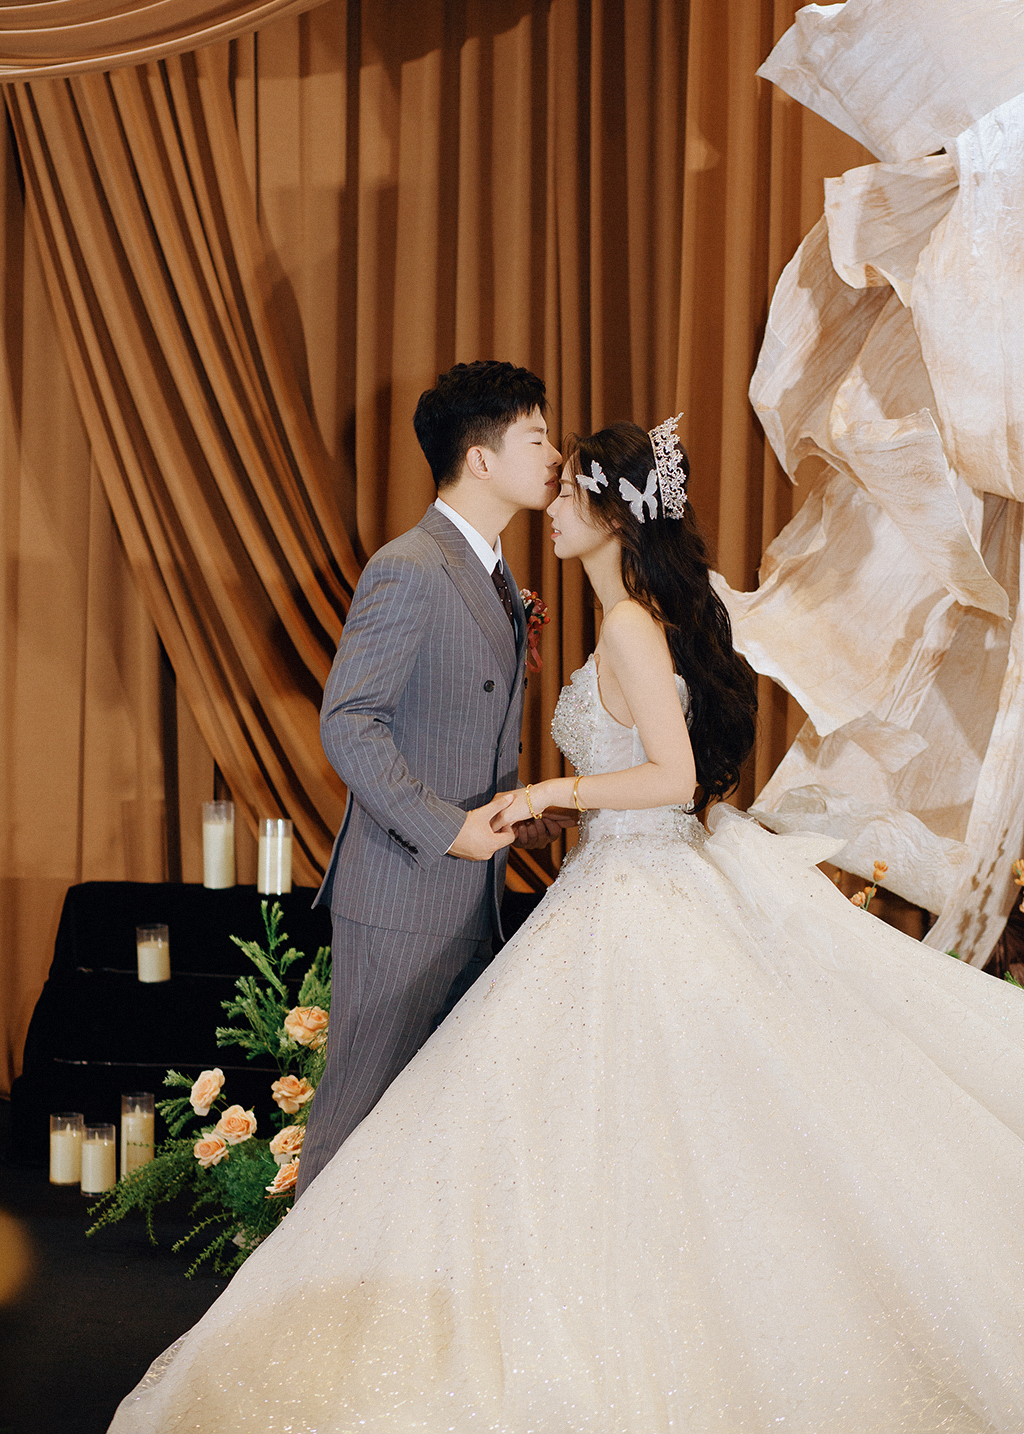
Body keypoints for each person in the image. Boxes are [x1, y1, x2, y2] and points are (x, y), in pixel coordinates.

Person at [111, 419, 1024, 1433]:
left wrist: (559, 787)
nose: (553, 504)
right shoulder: (620, 620)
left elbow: (673, 777)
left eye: (572, 492)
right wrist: (564, 809)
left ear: (614, 515)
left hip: (635, 897)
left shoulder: (630, 623)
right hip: (612, 881)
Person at [296, 360, 568, 1198]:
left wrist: (516, 815)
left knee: (427, 1139)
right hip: (404, 891)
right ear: (480, 459)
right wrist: (449, 827)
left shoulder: (492, 574)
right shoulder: (411, 565)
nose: (556, 455)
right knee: (355, 1125)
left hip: (470, 892)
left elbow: (460, 730)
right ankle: (307, 1284)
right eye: (537, 438)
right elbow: (348, 720)